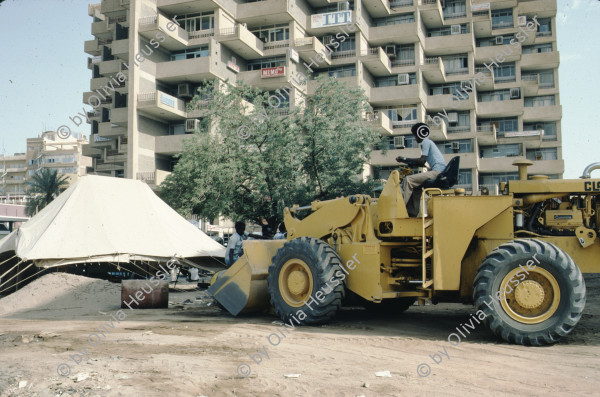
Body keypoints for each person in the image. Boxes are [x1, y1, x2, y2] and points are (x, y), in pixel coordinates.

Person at [396, 122, 447, 217]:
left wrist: (404, 159)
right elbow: (422, 162)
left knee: (409, 180)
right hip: (439, 172)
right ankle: (412, 213)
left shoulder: (425, 142)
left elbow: (421, 161)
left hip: (437, 172)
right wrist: (406, 161)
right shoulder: (429, 142)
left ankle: (401, 208)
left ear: (420, 133)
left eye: (415, 135)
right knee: (417, 186)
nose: (415, 138)